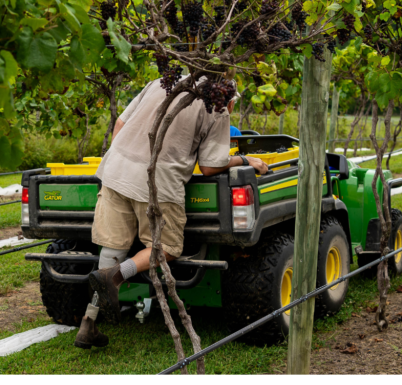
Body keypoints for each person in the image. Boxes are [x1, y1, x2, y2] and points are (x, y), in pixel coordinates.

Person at [74, 75, 270, 349]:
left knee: (112, 247)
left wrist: (123, 160)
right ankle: (119, 275)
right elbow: (211, 166)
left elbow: (121, 123)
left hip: (114, 170)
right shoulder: (218, 100)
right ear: (232, 95)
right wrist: (248, 160)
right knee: (166, 247)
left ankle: (89, 322)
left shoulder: (163, 81)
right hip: (157, 180)